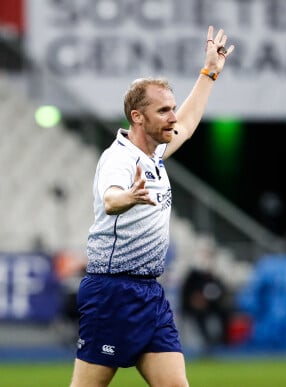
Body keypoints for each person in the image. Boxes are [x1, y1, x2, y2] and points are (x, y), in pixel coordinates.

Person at [69, 26, 234, 387]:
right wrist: (126, 198)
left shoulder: (153, 155)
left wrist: (209, 73)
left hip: (149, 293)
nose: (173, 116)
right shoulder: (119, 160)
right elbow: (111, 198)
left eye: (172, 108)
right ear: (137, 117)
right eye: (164, 110)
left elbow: (188, 125)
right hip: (112, 291)